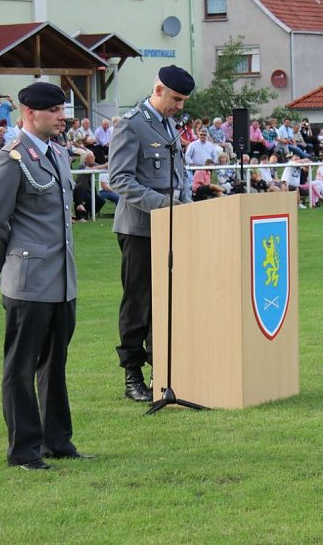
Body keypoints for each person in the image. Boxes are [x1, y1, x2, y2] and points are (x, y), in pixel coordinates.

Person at [0, 81, 92, 470]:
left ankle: (57, 440)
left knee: (54, 364)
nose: (63, 117)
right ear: (29, 113)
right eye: (55, 111)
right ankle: (24, 450)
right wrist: (10, 264)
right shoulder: (11, 159)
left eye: (63, 110)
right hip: (28, 282)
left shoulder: (57, 155)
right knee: (21, 368)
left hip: (60, 281)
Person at [109, 65, 194, 403]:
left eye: (184, 100)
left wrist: (187, 207)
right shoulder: (131, 125)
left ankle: (165, 370)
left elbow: (180, 175)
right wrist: (166, 206)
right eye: (176, 98)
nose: (180, 106)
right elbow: (120, 180)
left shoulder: (169, 125)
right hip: (140, 229)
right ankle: (133, 375)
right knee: (139, 302)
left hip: (173, 226)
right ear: (158, 90)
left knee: (169, 302)